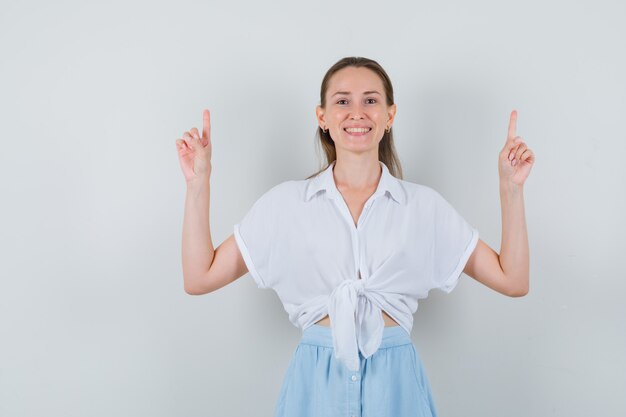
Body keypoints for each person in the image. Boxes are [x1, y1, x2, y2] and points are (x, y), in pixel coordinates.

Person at [175, 56, 534, 417]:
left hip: (396, 388)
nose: (357, 112)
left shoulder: (424, 207)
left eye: (371, 100)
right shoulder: (285, 205)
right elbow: (200, 277)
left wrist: (510, 188)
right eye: (343, 101)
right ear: (322, 116)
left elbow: (512, 280)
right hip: (315, 385)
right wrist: (197, 183)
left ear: (390, 116)